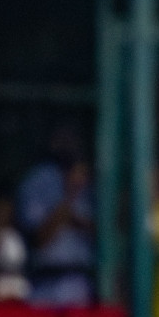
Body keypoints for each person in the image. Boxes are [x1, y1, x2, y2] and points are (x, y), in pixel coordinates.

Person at [17, 125, 95, 306]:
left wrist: (77, 221)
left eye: (73, 138)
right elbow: (39, 238)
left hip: (83, 289)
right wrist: (70, 195)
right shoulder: (37, 181)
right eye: (63, 138)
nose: (69, 144)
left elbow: (107, 235)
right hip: (45, 289)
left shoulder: (94, 183)